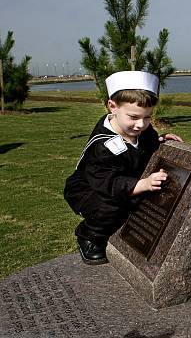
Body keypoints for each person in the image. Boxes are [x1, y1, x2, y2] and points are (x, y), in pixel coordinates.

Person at [64, 71, 183, 265]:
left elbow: (147, 143)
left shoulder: (140, 128)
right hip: (90, 188)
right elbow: (108, 183)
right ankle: (89, 235)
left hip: (122, 182)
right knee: (110, 208)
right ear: (113, 107)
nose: (140, 125)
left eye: (147, 118)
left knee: (134, 204)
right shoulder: (103, 146)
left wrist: (160, 140)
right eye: (134, 117)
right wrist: (143, 184)